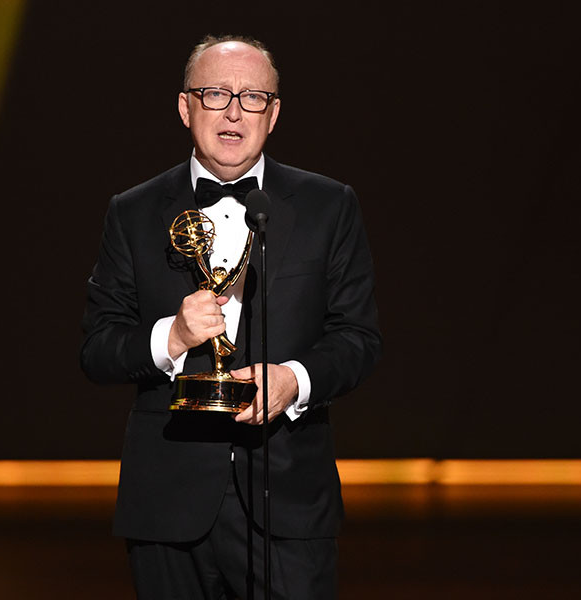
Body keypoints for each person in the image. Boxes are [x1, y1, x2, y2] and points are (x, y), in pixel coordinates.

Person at [80, 34, 381, 599]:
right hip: (168, 504)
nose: (235, 111)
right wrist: (171, 335)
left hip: (288, 502)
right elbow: (97, 349)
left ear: (275, 114)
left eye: (253, 97)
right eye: (216, 94)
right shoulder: (134, 212)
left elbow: (358, 338)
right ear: (185, 106)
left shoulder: (328, 205)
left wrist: (295, 380)